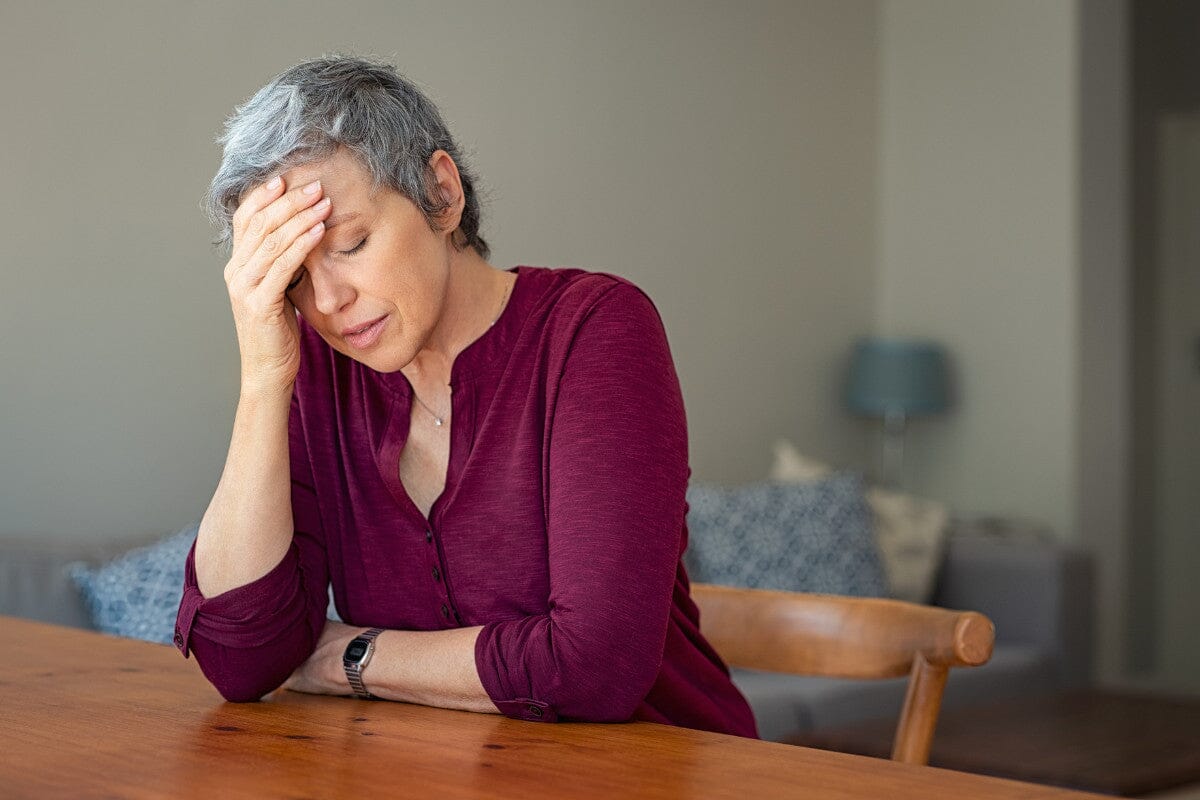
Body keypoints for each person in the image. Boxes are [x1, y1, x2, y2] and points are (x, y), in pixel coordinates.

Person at [175, 55, 757, 737]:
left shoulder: (595, 330)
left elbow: (596, 665)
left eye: (351, 243)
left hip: (660, 770)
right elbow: (240, 662)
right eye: (292, 280)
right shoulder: (317, 372)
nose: (328, 302)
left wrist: (345, 656)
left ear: (441, 194)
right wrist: (263, 381)